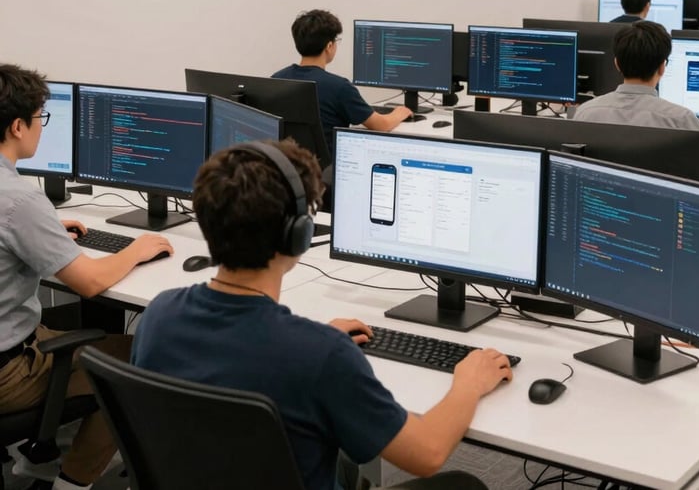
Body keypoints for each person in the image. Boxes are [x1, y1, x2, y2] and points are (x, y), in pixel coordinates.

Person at [132, 139, 508, 490]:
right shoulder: (320, 356)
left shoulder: (159, 315)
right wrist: (468, 384)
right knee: (463, 484)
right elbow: (427, 454)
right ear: (298, 234)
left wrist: (311, 342)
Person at [0, 63, 173, 490]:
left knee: (96, 336)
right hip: (8, 371)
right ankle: (72, 482)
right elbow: (91, 283)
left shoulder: (18, 203)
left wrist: (47, 230)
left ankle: (37, 458)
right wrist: (136, 249)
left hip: (14, 337)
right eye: (41, 118)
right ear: (18, 126)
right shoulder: (19, 200)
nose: (42, 127)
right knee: (144, 358)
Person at [572, 22, 699, 280]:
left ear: (616, 63)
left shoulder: (586, 112)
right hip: (665, 221)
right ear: (663, 66)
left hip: (606, 221)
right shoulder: (679, 118)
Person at [272, 10, 413, 156]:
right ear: (329, 46)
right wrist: (399, 113)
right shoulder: (339, 87)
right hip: (326, 173)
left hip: (291, 167)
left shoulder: (276, 80)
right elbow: (381, 125)